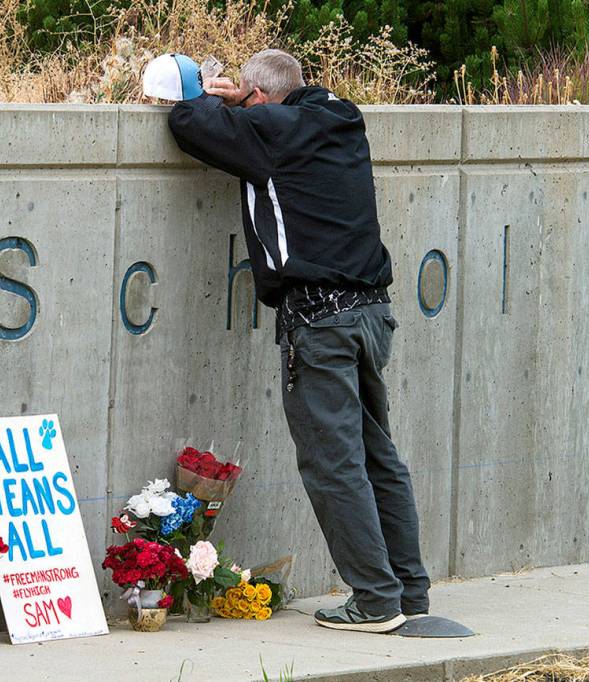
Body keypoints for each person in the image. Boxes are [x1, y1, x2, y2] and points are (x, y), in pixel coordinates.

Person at [165, 49, 431, 633]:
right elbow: (275, 119)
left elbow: (187, 122)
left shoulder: (271, 130)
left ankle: (375, 601)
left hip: (319, 323)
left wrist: (206, 92)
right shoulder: (339, 116)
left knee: (333, 465)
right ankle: (409, 591)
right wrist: (245, 101)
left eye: (248, 98)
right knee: (378, 458)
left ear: (260, 98)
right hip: (371, 314)